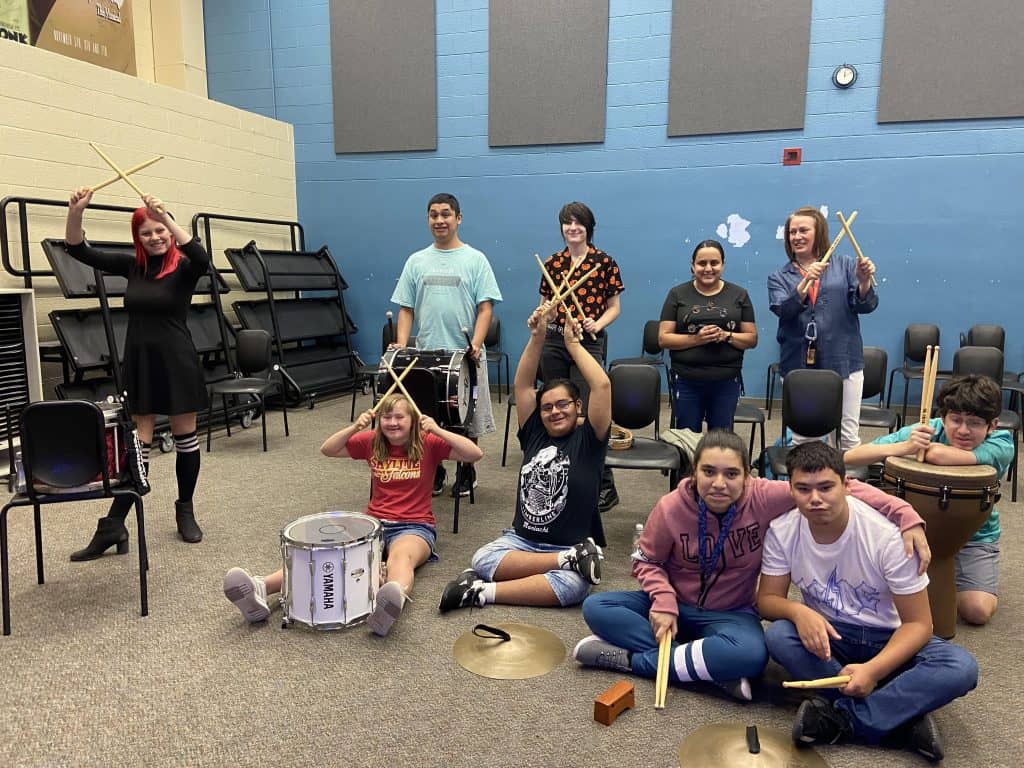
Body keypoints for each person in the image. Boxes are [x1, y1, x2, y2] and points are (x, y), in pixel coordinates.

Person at [573, 429, 928, 702]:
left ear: (748, 476)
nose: (718, 483)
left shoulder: (766, 496)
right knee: (597, 606)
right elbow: (647, 562)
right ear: (693, 472)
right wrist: (664, 601)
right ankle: (708, 668)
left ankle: (635, 662)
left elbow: (842, 486)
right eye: (708, 472)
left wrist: (906, 516)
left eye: (731, 474)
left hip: (731, 613)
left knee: (754, 655)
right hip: (672, 607)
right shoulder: (669, 508)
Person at [758, 442, 978, 762]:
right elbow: (767, 600)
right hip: (832, 636)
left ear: (847, 486)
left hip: (889, 638)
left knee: (961, 667)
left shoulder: (888, 538)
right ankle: (897, 716)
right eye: (803, 489)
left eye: (826, 487)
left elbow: (919, 625)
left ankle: (843, 718)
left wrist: (873, 671)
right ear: (790, 490)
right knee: (779, 636)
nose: (815, 499)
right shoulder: (782, 531)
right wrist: (797, 610)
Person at [223, 393, 482, 636]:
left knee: (400, 558)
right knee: (327, 551)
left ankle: (392, 601)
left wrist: (436, 429)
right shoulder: (371, 441)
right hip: (372, 523)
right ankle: (260, 588)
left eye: (399, 417)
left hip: (415, 526)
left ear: (413, 420)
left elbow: (474, 454)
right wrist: (355, 427)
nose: (392, 423)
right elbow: (328, 449)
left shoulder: (429, 442)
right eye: (386, 417)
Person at [63, 187, 209, 558]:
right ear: (137, 238)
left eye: (159, 230)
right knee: (139, 443)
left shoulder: (185, 267)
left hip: (177, 361)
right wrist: (77, 212)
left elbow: (200, 255)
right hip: (141, 362)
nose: (155, 237)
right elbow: (80, 250)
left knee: (184, 437)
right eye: (147, 232)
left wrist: (166, 218)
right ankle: (113, 524)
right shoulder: (134, 266)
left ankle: (185, 509)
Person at [436, 307, 609, 612]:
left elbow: (602, 386)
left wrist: (573, 346)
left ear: (578, 405)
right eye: (547, 408)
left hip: (567, 542)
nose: (555, 411)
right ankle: (564, 563)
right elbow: (524, 386)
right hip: (522, 541)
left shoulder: (590, 439)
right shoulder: (534, 434)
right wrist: (537, 337)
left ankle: (481, 592)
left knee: (573, 587)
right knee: (482, 557)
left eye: (563, 404)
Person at [844, 374, 1013, 626]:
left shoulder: (1002, 442)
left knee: (977, 611)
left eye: (975, 423)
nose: (963, 430)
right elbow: (851, 456)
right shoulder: (926, 429)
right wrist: (902, 446)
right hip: (915, 528)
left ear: (992, 425)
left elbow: (939, 455)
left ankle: (951, 570)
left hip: (972, 536)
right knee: (880, 598)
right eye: (955, 420)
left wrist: (925, 449)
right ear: (942, 417)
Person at [391, 193, 502, 498]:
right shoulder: (416, 260)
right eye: (433, 215)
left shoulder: (475, 259)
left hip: (465, 356)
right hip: (427, 357)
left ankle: (466, 470)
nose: (439, 220)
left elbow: (485, 308)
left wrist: (476, 344)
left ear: (458, 218)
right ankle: (435, 468)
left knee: (468, 418)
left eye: (445, 214)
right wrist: (402, 344)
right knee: (427, 416)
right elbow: (405, 308)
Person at [537, 202, 624, 512]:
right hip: (556, 340)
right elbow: (546, 305)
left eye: (578, 223)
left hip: (588, 341)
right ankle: (559, 477)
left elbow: (614, 307)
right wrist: (545, 314)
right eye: (567, 223)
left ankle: (604, 484)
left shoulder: (604, 262)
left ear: (589, 227)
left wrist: (595, 323)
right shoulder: (553, 263)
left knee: (587, 413)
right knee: (556, 410)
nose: (572, 228)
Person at [767, 206, 877, 450]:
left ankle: (849, 487)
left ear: (819, 233)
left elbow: (866, 305)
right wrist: (806, 281)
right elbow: (783, 311)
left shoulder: (846, 265)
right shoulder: (779, 276)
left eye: (803, 230)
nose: (796, 236)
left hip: (844, 359)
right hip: (798, 364)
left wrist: (864, 280)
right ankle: (804, 487)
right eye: (792, 232)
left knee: (848, 437)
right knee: (804, 438)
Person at [658, 239, 757, 431]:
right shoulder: (677, 294)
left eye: (714, 263)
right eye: (702, 263)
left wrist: (727, 335)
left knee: (720, 438)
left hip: (726, 380)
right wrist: (697, 339)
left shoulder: (739, 295)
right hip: (687, 379)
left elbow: (751, 339)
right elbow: (663, 338)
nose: (708, 268)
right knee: (687, 437)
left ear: (723, 265)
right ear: (692, 266)